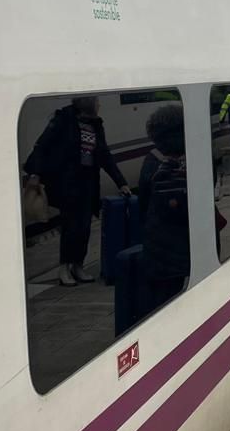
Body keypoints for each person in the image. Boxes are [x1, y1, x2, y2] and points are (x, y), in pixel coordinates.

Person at [23, 96, 130, 286]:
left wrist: (121, 182)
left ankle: (78, 266)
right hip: (66, 182)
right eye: (97, 102)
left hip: (88, 181)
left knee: (84, 227)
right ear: (87, 105)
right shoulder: (63, 120)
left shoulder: (96, 124)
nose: (99, 104)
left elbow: (104, 154)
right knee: (71, 226)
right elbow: (42, 146)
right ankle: (64, 268)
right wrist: (34, 174)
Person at [116, 103, 192, 334]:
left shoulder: (150, 162)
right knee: (170, 304)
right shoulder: (172, 169)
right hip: (174, 251)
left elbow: (144, 206)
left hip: (157, 247)